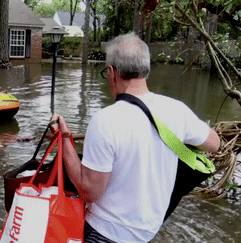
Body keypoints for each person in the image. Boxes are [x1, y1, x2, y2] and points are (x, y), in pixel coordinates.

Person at [50, 32, 220, 243]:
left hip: (106, 234)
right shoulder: (178, 111)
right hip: (148, 232)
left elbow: (88, 191)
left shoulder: (105, 121)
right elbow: (215, 143)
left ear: (112, 72)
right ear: (145, 71)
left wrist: (65, 141)